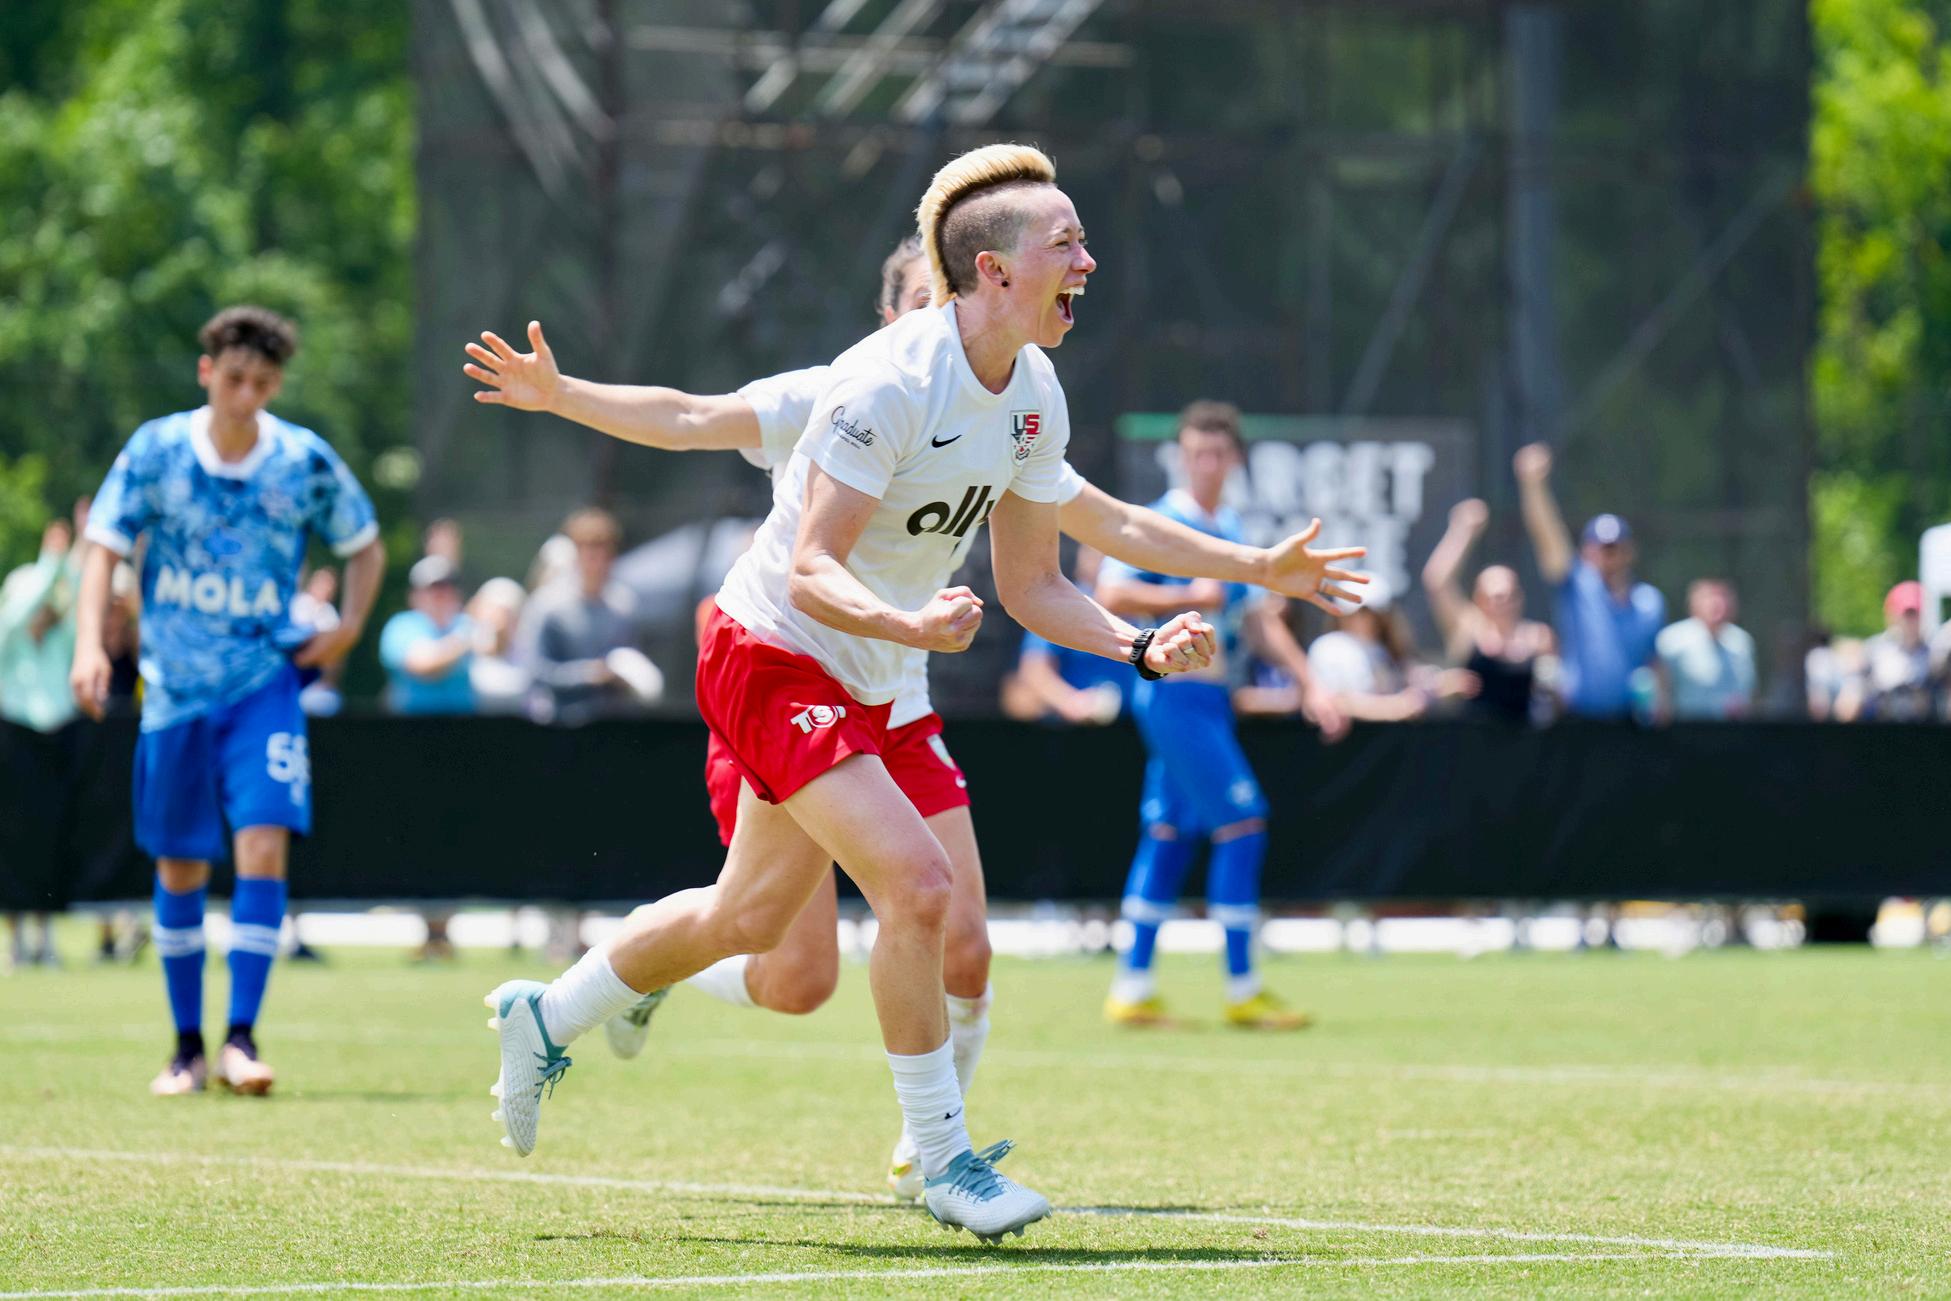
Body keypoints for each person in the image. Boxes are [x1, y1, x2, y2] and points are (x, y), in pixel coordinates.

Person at [465, 228, 1364, 1199]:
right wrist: (562, 394)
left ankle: (892, 1137)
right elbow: (689, 416)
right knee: (816, 949)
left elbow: (1098, 520)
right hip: (787, 666)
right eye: (915, 299)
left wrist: (1244, 572)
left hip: (890, 683)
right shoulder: (855, 389)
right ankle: (941, 1158)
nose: (931, 315)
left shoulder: (1008, 396)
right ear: (911, 305)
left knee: (904, 937)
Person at [69, 305, 384, 1096]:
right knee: (179, 861)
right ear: (207, 371)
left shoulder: (302, 461)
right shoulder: (157, 449)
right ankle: (186, 1047)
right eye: (235, 378)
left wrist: (348, 627)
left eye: (263, 383)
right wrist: (87, 645)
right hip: (175, 690)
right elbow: (102, 545)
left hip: (262, 686)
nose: (247, 396)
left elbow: (365, 542)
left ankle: (242, 1037)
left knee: (264, 843)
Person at [1094, 401, 1346, 1030]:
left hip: (1211, 700)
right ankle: (1243, 988)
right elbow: (1110, 591)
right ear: (1181, 456)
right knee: (1243, 824)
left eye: (1216, 453)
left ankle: (1131, 988)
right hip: (1172, 697)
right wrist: (1186, 595)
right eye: (1195, 452)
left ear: (1233, 459)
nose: (1205, 463)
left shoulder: (1230, 526)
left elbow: (1257, 620)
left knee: (1168, 835)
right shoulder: (1161, 520)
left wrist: (1311, 682)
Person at [1513, 443, 1665, 719]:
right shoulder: (1576, 584)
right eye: (1601, 548)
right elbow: (1547, 536)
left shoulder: (1649, 601)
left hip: (1629, 721)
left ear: (1629, 551)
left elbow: (1653, 660)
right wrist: (1533, 485)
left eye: (1614, 548)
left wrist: (1662, 703)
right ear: (1586, 551)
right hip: (1576, 719)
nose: (1608, 556)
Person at [0, 504, 87, 968]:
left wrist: (79, 546)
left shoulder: (62, 637)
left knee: (52, 839)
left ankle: (45, 936)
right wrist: (50, 560)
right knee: (12, 840)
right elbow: (16, 616)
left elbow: (77, 600)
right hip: (14, 737)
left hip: (57, 739)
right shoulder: (11, 633)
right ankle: (14, 939)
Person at [515, 508, 662, 722]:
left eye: (605, 555)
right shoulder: (547, 606)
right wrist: (589, 674)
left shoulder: (623, 606)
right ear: (576, 554)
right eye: (591, 554)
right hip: (560, 726)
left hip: (612, 727)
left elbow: (631, 660)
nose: (598, 564)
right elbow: (535, 671)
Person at [1421, 498, 1556, 723]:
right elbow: (1436, 583)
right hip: (1472, 739)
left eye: (1508, 596)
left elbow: (1554, 694)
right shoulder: (1468, 631)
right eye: (1494, 597)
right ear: (1479, 600)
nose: (1502, 604)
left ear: (1520, 597)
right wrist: (1462, 531)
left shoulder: (1538, 638)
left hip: (1526, 741)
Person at [1000, 548, 1126, 724]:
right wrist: (1071, 703)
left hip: (1133, 724)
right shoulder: (1061, 606)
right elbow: (1035, 670)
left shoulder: (1140, 603)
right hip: (1075, 726)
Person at [379, 556, 477, 715]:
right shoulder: (401, 625)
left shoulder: (465, 622)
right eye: (435, 587)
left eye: (449, 585)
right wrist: (465, 639)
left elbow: (497, 649)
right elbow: (423, 665)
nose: (443, 592)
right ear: (414, 595)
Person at [1656, 578, 1757, 720]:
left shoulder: (1742, 642)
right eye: (1710, 596)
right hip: (1686, 728)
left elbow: (1748, 693)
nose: (1717, 603)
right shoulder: (1672, 640)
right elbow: (1661, 696)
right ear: (1694, 602)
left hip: (1730, 729)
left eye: (1723, 596)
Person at [1849, 581, 1936, 721]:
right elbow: (1852, 699)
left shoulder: (1935, 653)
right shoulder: (1874, 650)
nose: (1911, 621)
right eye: (1907, 614)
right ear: (1891, 615)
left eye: (1916, 614)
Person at [466, 576, 531, 715]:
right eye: (494, 611)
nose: (501, 620)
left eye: (509, 614)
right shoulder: (463, 645)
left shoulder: (528, 651)